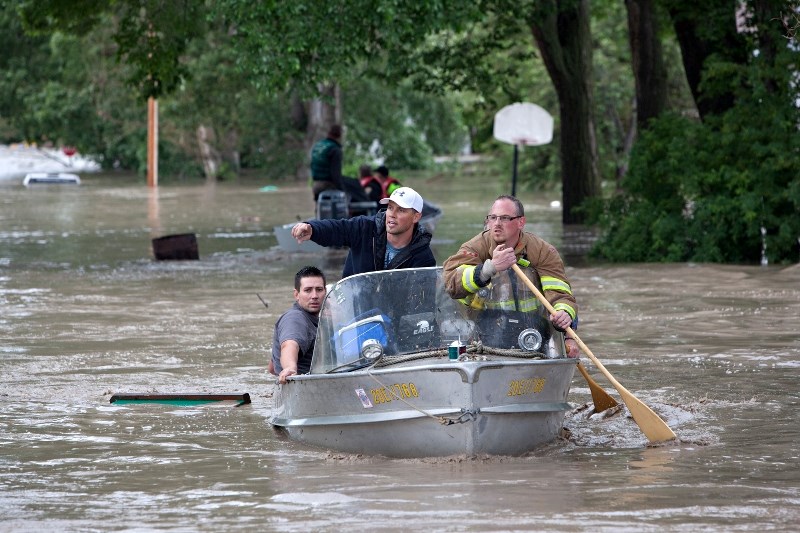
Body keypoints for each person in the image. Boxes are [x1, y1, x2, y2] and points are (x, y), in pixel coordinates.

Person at [442, 195, 580, 358]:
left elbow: (561, 295)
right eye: (492, 218)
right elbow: (451, 283)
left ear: (521, 222)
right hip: (484, 332)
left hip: (533, 333)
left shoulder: (543, 252)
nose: (497, 224)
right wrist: (488, 269)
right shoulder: (474, 247)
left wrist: (563, 313)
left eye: (505, 218)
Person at [290, 186, 436, 278]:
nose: (392, 214)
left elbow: (421, 301)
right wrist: (312, 229)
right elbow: (338, 228)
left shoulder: (424, 257)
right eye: (390, 208)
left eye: (401, 210)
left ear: (416, 217)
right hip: (356, 310)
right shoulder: (365, 227)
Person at [269, 266, 327, 383]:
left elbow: (271, 368)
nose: (314, 296)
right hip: (303, 388)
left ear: (325, 292)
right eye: (308, 290)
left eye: (319, 289)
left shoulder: (318, 320)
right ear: (296, 294)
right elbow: (290, 345)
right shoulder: (295, 318)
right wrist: (289, 368)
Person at [310, 124, 344, 201]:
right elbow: (335, 174)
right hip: (328, 185)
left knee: (320, 210)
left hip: (316, 184)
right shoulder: (335, 150)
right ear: (339, 135)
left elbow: (312, 165)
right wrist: (342, 190)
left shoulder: (318, 145)